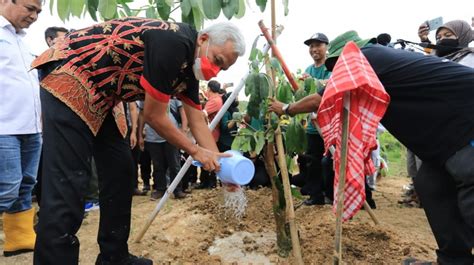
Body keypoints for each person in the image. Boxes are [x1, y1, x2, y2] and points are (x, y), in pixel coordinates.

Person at [32, 17, 245, 265]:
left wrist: (222, 168)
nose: (215, 71)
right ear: (204, 39)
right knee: (67, 181)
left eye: (222, 69)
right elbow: (155, 116)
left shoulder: (188, 67)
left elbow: (197, 119)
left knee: (121, 170)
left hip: (104, 94)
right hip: (71, 72)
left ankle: (114, 257)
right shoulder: (173, 43)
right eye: (217, 61)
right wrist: (194, 151)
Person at [271, 30, 474, 265]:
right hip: (443, 137)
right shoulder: (373, 61)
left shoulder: (363, 58)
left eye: (333, 66)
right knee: (430, 184)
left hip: (465, 121)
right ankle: (453, 260)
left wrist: (287, 108)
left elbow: (323, 97)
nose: (335, 72)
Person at [0, 0, 42, 257]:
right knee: (7, 187)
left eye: (38, 12)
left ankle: (19, 238)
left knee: (26, 183)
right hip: (4, 126)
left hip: (31, 126)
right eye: (30, 8)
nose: (34, 16)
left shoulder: (23, 42)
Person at [196, 80, 224, 189]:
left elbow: (203, 114)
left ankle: (209, 182)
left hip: (211, 134)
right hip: (213, 133)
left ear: (209, 89)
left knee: (209, 157)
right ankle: (207, 181)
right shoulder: (218, 99)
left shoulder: (214, 101)